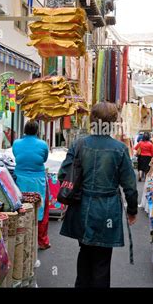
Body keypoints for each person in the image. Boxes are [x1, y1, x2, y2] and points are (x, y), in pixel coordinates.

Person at [58, 102, 138, 288]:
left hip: (81, 207)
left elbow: (63, 174)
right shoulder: (119, 149)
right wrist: (132, 210)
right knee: (102, 259)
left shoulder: (78, 144)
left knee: (85, 252)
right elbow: (130, 186)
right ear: (113, 123)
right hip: (107, 209)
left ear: (93, 120)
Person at [12, 120, 50, 250]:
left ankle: (21, 234)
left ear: (24, 130)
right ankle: (41, 240)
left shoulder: (16, 143)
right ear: (37, 131)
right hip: (37, 179)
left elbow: (16, 155)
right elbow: (44, 159)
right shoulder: (43, 144)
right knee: (40, 207)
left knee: (21, 204)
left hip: (20, 178)